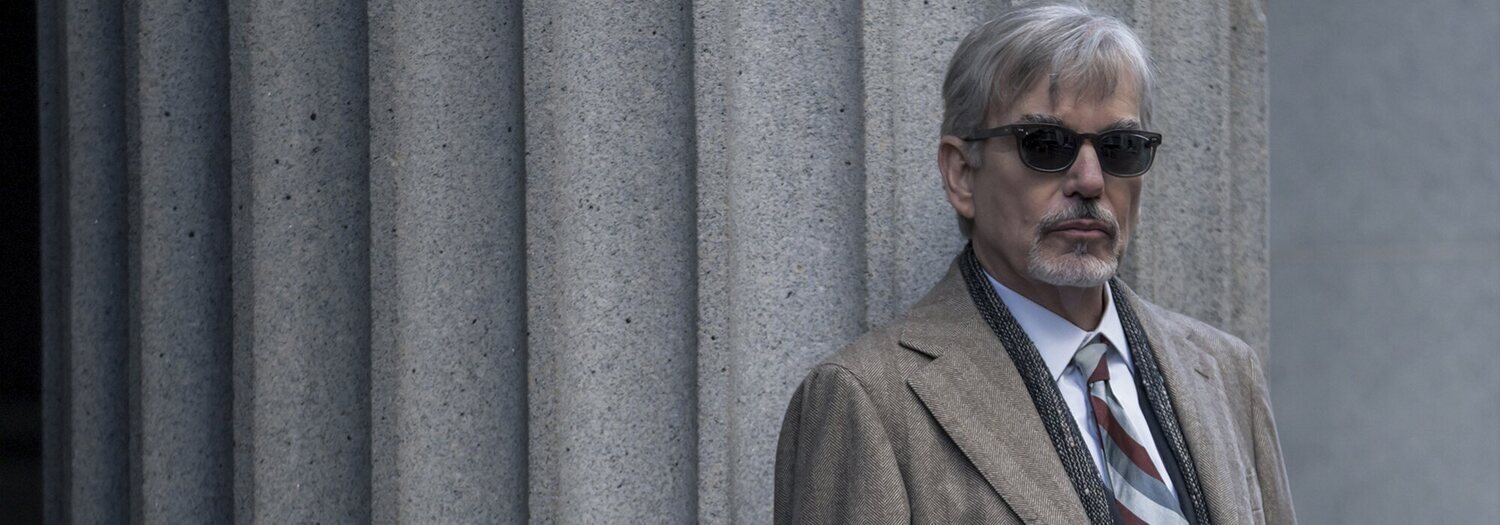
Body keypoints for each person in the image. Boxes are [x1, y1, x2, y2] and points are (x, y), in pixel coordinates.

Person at [773, 4, 1295, 524]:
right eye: (1045, 145)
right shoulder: (866, 399)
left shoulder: (1227, 372)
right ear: (961, 174)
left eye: (1120, 148)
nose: (1090, 180)